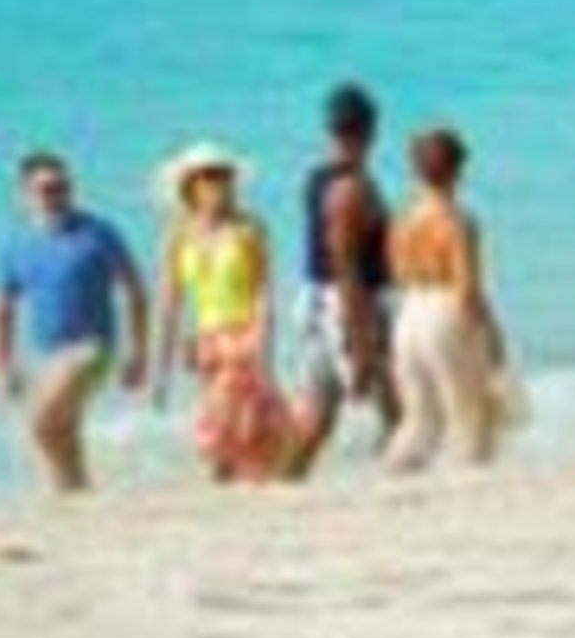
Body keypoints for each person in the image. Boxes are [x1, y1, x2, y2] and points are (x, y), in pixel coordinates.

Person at [0, 150, 148, 496]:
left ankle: (70, 491)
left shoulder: (98, 233)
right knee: (62, 430)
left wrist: (138, 352)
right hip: (47, 354)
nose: (57, 196)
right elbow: (3, 309)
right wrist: (4, 364)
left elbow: (135, 290)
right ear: (25, 195)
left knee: (41, 421)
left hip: (93, 348)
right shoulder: (16, 246)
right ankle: (75, 495)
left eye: (63, 187)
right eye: (46, 189)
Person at [151, 142, 301, 486]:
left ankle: (231, 485)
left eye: (224, 174)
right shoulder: (178, 236)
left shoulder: (250, 228)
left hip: (244, 336)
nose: (219, 182)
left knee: (235, 424)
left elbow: (264, 292)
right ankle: (236, 489)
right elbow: (170, 303)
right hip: (206, 344)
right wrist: (161, 369)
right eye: (209, 176)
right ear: (190, 186)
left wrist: (264, 346)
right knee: (231, 426)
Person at [382, 125, 513, 472]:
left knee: (419, 417)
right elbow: (467, 287)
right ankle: (469, 487)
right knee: (470, 414)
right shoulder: (459, 221)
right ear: (458, 170)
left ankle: (394, 474)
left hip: (409, 313)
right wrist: (493, 332)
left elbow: (396, 274)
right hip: (445, 312)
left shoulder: (401, 219)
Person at [291, 81, 396, 467]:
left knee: (318, 417)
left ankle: (281, 487)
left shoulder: (316, 178)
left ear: (330, 129)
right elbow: (346, 266)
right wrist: (359, 339)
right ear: (372, 131)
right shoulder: (352, 190)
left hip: (316, 298)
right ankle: (400, 492)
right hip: (349, 304)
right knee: (399, 411)